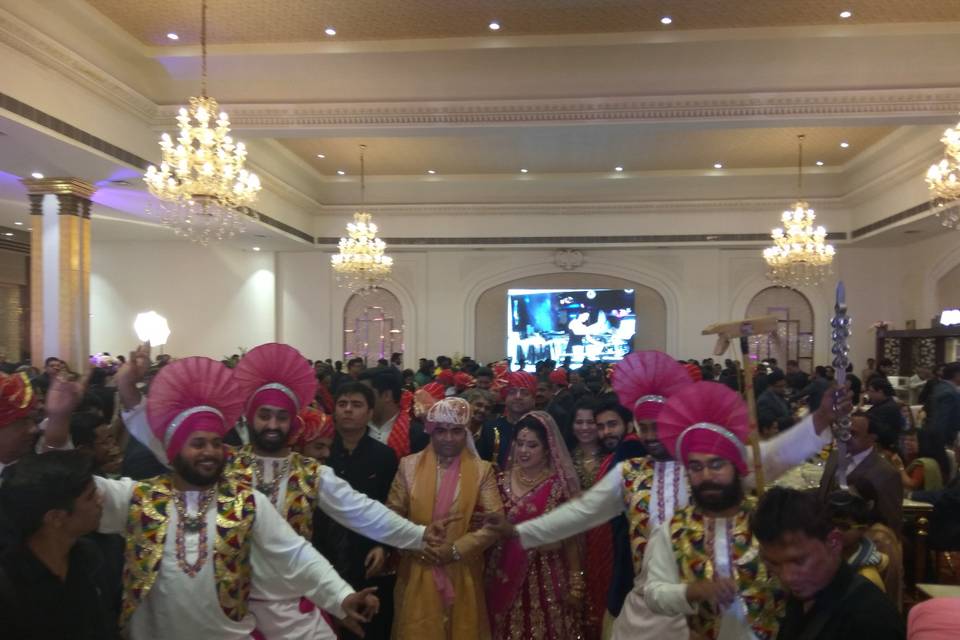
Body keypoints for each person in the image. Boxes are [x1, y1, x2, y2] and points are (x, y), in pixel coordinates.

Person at [486, 353, 844, 640]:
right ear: (634, 428)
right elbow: (583, 513)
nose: (652, 435)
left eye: (659, 426)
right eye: (644, 428)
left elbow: (772, 457)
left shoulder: (706, 461)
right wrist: (521, 532)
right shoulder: (631, 474)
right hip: (650, 606)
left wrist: (820, 422)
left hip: (724, 610)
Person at [92, 355, 380, 639]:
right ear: (174, 451)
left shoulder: (244, 502)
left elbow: (298, 554)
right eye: (198, 443)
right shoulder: (139, 498)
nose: (210, 451)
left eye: (217, 443)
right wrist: (55, 427)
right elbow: (76, 487)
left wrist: (341, 596)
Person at [642, 381, 785, 640]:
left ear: (737, 467)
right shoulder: (674, 530)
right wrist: (695, 591)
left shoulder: (768, 518)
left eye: (716, 465)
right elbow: (653, 593)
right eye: (696, 467)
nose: (706, 475)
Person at [387, 397, 504, 640]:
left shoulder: (482, 470)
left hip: (463, 570)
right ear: (431, 431)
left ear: (466, 433)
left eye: (456, 431)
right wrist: (416, 544)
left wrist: (455, 550)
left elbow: (494, 523)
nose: (448, 439)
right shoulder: (408, 467)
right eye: (441, 431)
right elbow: (391, 517)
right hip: (417, 568)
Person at [751, 487, 905, 640]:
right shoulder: (806, 594)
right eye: (774, 564)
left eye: (799, 561)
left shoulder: (870, 620)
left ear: (834, 542)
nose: (787, 577)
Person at [318, 381, 406, 639]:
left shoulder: (384, 456)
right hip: (325, 554)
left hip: (368, 556)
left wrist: (384, 546)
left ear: (369, 413)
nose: (348, 410)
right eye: (342, 404)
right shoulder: (321, 452)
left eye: (356, 405)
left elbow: (393, 506)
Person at [486, 411, 584, 639]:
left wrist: (576, 582)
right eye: (520, 444)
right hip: (503, 572)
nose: (523, 451)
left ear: (547, 448)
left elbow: (570, 540)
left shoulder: (559, 488)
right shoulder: (499, 482)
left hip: (547, 578)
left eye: (532, 445)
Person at [0, 451, 117, 639]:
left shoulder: (89, 556)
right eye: (90, 496)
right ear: (56, 517)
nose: (100, 500)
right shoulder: (9, 585)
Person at [819, 412, 903, 535]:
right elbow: (822, 494)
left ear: (872, 438)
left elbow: (891, 523)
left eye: (853, 434)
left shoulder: (886, 473)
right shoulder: (834, 456)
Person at [360, 367, 429, 460]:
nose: (359, 400)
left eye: (365, 393)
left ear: (386, 395)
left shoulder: (417, 434)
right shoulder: (355, 429)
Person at [491, 371, 538, 468]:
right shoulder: (490, 428)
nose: (518, 397)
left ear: (534, 399)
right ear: (505, 397)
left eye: (524, 393)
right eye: (512, 392)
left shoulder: (541, 428)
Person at [461, 388, 500, 463]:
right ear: (467, 404)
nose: (482, 410)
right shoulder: (455, 428)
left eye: (487, 408)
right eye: (478, 405)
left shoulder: (492, 435)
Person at [570, 398, 602, 490]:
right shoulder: (566, 458)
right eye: (579, 422)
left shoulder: (611, 457)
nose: (584, 427)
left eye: (591, 422)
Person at [927, 361, 960, 446]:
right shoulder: (949, 392)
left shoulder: (942, 387)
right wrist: (942, 445)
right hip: (945, 440)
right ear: (957, 374)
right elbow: (941, 421)